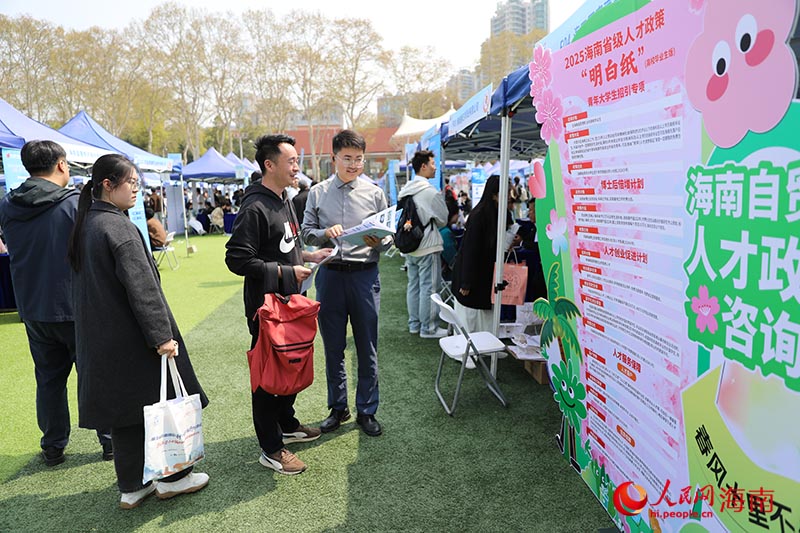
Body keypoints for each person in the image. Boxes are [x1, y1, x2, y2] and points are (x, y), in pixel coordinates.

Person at [67, 154, 209, 509]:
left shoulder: (88, 224)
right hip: (132, 338)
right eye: (131, 183)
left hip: (102, 339)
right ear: (107, 185)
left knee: (125, 416)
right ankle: (174, 478)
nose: (136, 190)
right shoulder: (117, 227)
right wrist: (162, 337)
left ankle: (132, 485)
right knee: (159, 404)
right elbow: (143, 290)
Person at [0, 140, 112, 467]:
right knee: (93, 375)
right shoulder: (77, 203)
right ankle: (108, 441)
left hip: (33, 306)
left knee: (48, 379)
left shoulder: (8, 204)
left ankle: (53, 445)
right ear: (62, 165)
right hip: (75, 304)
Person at [225, 134, 333, 475]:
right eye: (291, 161)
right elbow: (237, 259)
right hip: (265, 308)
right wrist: (285, 271)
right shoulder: (254, 206)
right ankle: (271, 448)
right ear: (269, 165)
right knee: (267, 376)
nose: (297, 166)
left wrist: (308, 256)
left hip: (291, 302)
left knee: (293, 366)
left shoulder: (285, 199)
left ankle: (287, 424)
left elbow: (284, 245)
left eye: (297, 160)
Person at [301, 129, 390, 437]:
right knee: (333, 346)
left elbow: (387, 243)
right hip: (330, 276)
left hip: (365, 275)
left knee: (367, 347)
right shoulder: (318, 192)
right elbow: (306, 233)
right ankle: (338, 408)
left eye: (359, 159)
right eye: (347, 158)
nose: (353, 165)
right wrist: (325, 233)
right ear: (334, 158)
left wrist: (376, 241)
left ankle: (367, 410)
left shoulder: (375, 193)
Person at [451, 175, 513, 333]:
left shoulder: (501, 214)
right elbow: (470, 250)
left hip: (487, 273)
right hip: (473, 272)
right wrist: (466, 281)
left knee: (487, 312)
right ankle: (468, 351)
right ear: (494, 194)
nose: (509, 198)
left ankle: (488, 346)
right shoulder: (479, 216)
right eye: (505, 193)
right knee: (470, 315)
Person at [397, 150, 448, 339]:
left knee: (414, 285)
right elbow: (443, 219)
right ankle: (429, 328)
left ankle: (414, 324)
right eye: (433, 163)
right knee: (430, 287)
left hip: (410, 244)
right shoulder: (431, 192)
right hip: (428, 244)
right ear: (424, 166)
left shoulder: (405, 190)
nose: (435, 167)